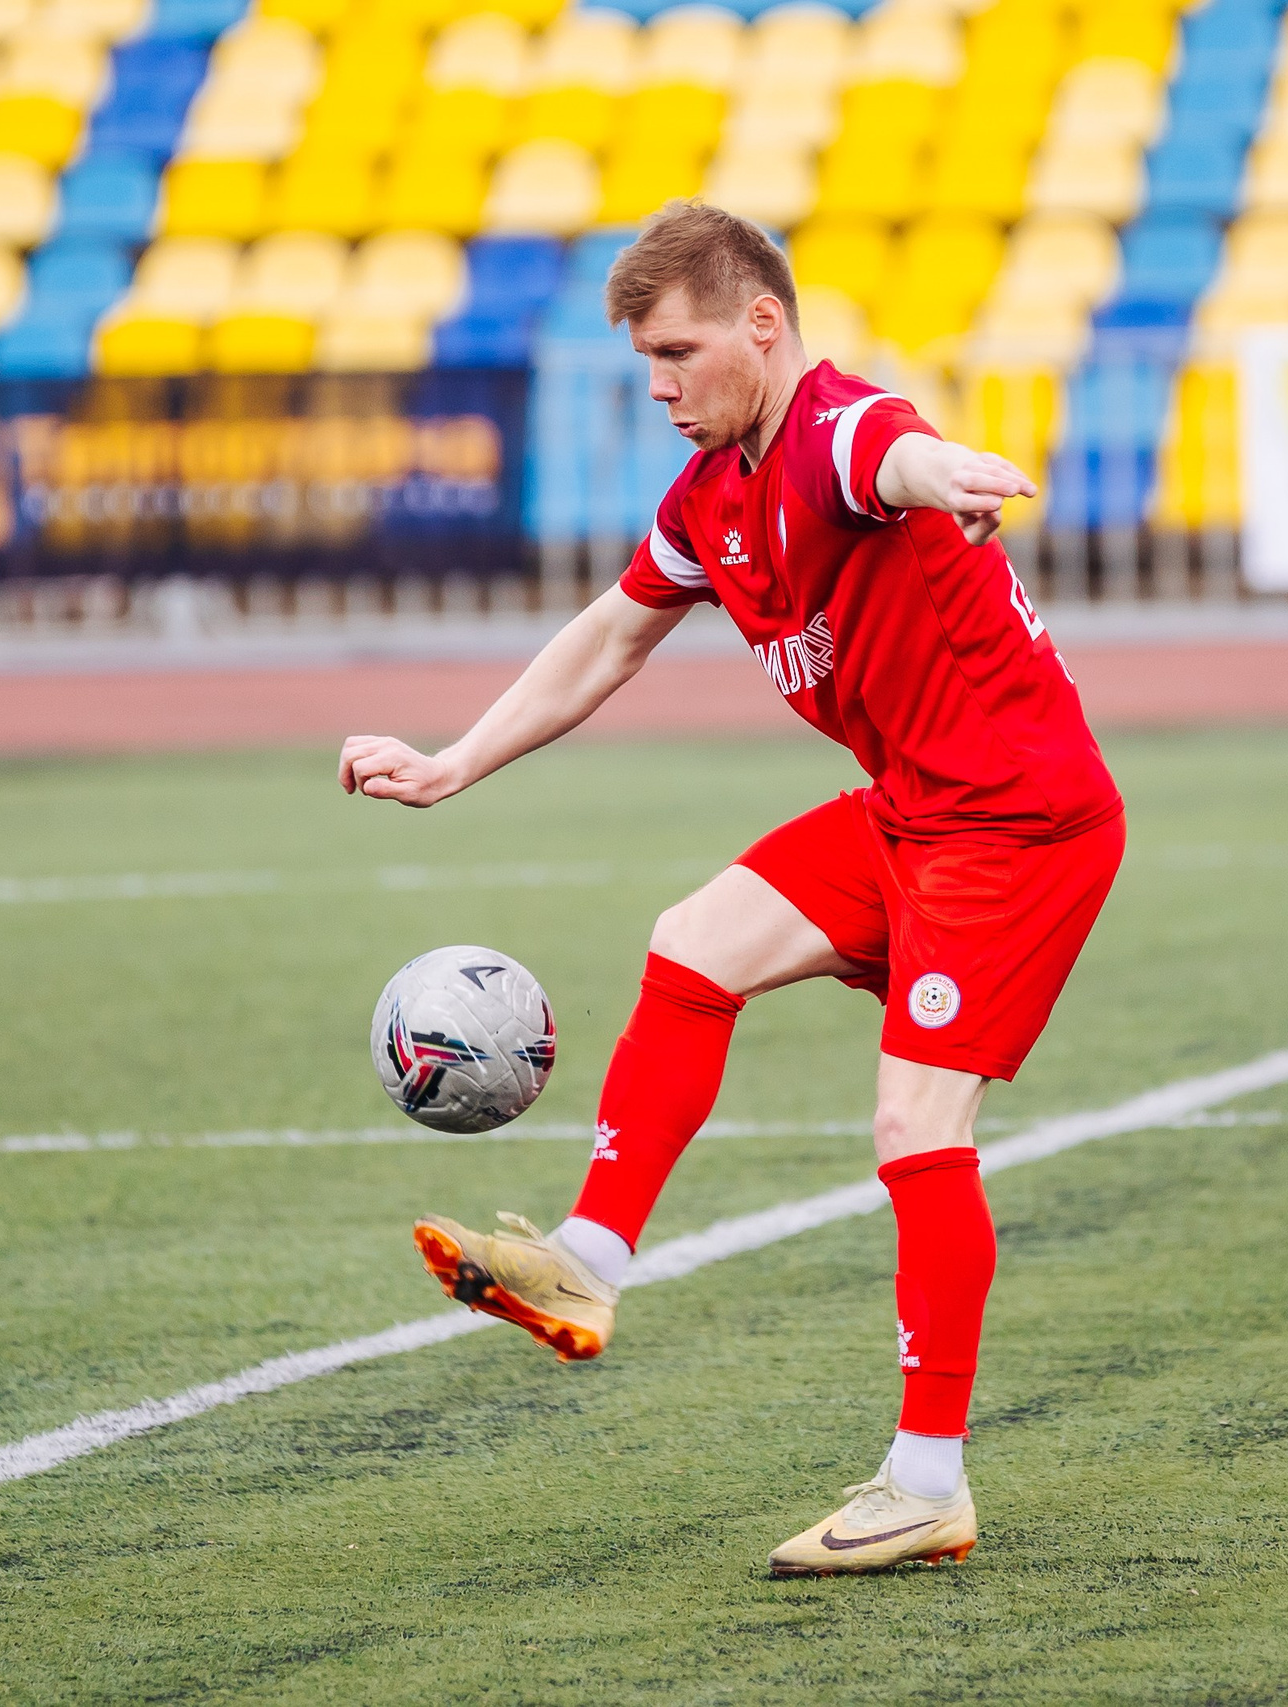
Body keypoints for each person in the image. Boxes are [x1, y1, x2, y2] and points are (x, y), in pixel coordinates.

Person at [338, 201, 1125, 1567]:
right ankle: (590, 1256)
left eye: (678, 349)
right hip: (911, 812)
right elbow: (607, 637)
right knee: (695, 941)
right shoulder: (713, 493)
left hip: (1016, 825)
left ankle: (929, 1479)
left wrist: (949, 470)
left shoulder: (831, 432)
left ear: (763, 324)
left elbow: (891, 449)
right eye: (646, 358)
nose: (657, 383)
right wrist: (454, 762)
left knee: (914, 1122)